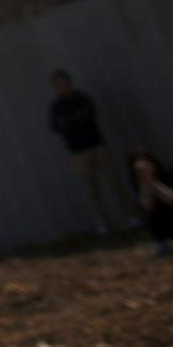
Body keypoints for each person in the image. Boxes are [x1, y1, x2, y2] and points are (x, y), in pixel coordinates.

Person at [45, 70, 125, 233]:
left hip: (96, 146)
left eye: (64, 82)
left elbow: (86, 117)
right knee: (91, 189)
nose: (62, 86)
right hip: (77, 152)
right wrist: (73, 121)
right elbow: (57, 126)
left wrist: (70, 122)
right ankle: (103, 224)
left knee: (114, 182)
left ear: (70, 82)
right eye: (58, 84)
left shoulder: (82, 99)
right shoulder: (57, 107)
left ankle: (132, 216)